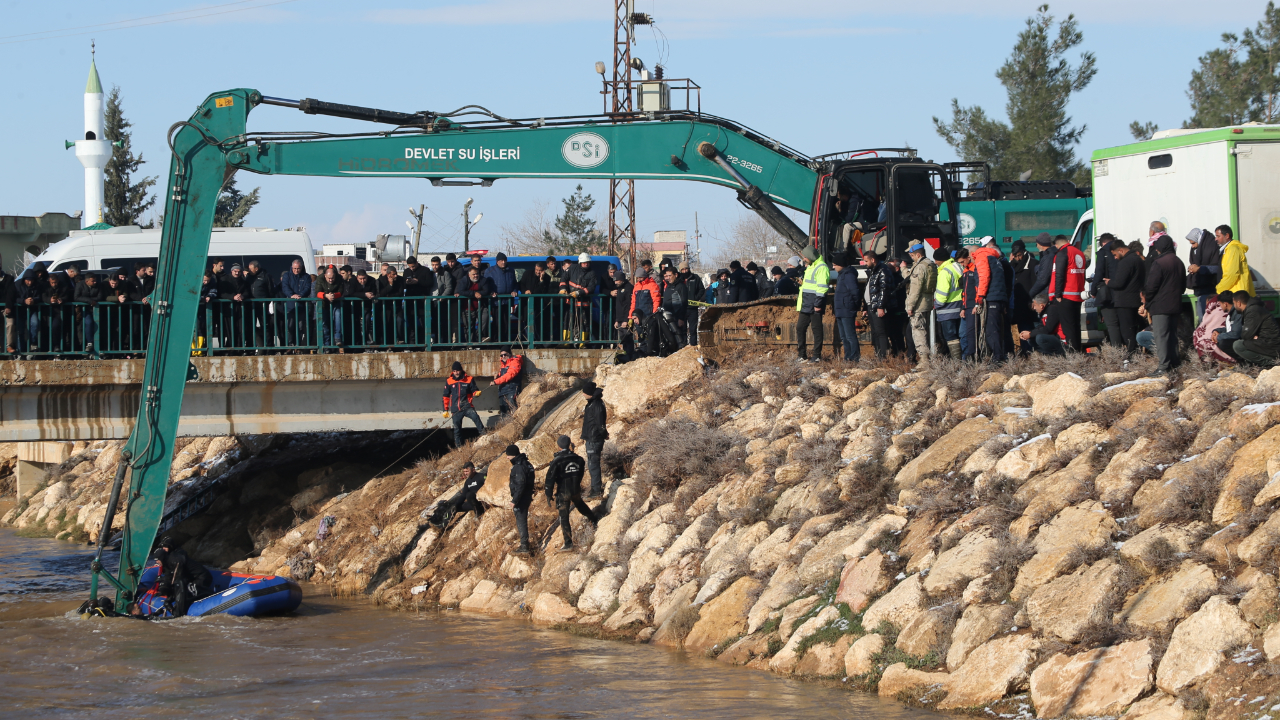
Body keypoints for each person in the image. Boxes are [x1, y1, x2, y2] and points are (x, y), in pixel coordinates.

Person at [544, 435, 598, 551]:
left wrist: (548, 494)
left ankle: (568, 543)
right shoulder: (579, 459)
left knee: (564, 517)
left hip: (563, 492)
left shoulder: (557, 461)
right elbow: (580, 473)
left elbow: (550, 479)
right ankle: (594, 519)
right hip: (575, 489)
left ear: (558, 446)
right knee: (580, 505)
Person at [1143, 234, 1187, 375]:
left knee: (1161, 336)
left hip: (1160, 305)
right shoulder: (1178, 262)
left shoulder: (1159, 263)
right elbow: (1183, 286)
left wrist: (1147, 301)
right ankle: (1175, 363)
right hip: (1175, 304)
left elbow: (1151, 286)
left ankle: (1163, 366)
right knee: (1172, 335)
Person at [150, 536, 212, 617]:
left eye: (165, 547)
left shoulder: (177, 558)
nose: (163, 549)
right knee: (179, 586)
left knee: (183, 587)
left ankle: (210, 595)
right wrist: (163, 588)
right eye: (162, 547)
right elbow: (170, 576)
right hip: (190, 578)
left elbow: (178, 578)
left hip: (200, 577)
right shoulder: (169, 559)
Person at [1106, 238, 1146, 354]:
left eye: (1115, 254)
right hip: (1136, 299)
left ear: (1121, 250)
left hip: (1125, 301)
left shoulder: (1126, 262)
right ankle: (1138, 352)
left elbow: (1119, 282)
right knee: (1136, 328)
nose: (1115, 258)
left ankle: (1132, 353)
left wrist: (1109, 282)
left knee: (1127, 330)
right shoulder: (1138, 260)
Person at [1049, 233, 1087, 353]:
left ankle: (1072, 354)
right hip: (1077, 294)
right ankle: (1078, 352)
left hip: (1066, 295)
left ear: (1056, 245)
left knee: (1068, 327)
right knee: (1076, 326)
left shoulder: (1062, 253)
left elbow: (1059, 274)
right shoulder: (1079, 253)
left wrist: (1058, 294)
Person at [904, 243, 937, 366]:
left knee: (919, 332)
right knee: (926, 330)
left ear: (918, 254)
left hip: (919, 304)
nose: (911, 258)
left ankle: (924, 360)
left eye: (912, 255)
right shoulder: (931, 265)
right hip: (927, 302)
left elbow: (915, 289)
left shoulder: (920, 267)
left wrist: (910, 306)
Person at [428, 461, 487, 529]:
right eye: (464, 471)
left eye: (467, 471)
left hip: (481, 502)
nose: (465, 473)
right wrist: (456, 505)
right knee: (454, 507)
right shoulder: (467, 482)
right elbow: (463, 496)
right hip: (472, 504)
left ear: (473, 470)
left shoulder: (481, 476)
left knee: (469, 494)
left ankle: (478, 513)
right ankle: (443, 525)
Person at [795, 250, 830, 362]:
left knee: (816, 329)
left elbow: (822, 288)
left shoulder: (821, 267)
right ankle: (802, 355)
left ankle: (817, 356)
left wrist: (818, 303)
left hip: (815, 304)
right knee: (800, 328)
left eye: (805, 257)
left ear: (811, 256)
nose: (804, 259)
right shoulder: (810, 266)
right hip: (806, 304)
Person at [442, 361, 484, 447]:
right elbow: (445, 396)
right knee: (457, 430)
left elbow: (474, 389)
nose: (456, 373)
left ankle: (484, 436)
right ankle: (459, 447)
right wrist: (445, 409)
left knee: (476, 418)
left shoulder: (469, 379)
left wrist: (476, 393)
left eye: (457, 371)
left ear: (461, 370)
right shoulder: (449, 381)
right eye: (454, 371)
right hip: (455, 409)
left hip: (467, 406)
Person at [1233, 292, 1280, 366]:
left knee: (1238, 345)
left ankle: (1270, 363)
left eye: (1234, 303)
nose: (1234, 306)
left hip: (1270, 344)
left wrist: (1251, 336)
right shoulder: (1253, 308)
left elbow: (1246, 335)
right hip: (1268, 342)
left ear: (1238, 303)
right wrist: (1252, 336)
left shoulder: (1253, 310)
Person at [933, 248, 964, 358]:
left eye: (936, 260)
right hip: (960, 307)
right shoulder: (957, 266)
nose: (935, 262)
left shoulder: (944, 272)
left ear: (940, 260)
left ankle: (956, 361)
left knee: (951, 337)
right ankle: (963, 360)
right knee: (960, 335)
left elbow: (942, 294)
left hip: (948, 310)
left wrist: (936, 304)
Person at [561, 253, 598, 344]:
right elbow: (563, 278)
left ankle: (583, 343)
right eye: (584, 262)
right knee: (568, 323)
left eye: (587, 262)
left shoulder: (592, 273)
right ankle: (566, 342)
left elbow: (591, 288)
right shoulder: (572, 268)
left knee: (584, 324)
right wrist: (563, 288)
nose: (586, 264)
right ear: (580, 262)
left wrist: (579, 293)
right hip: (570, 303)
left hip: (584, 304)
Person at [865, 251, 896, 359]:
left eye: (866, 261)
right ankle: (878, 356)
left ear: (873, 260)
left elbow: (884, 290)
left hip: (878, 306)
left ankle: (883, 357)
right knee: (875, 332)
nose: (865, 263)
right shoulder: (873, 271)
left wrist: (880, 306)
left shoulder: (882, 270)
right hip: (871, 305)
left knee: (881, 332)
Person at [507, 445, 536, 554]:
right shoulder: (527, 463)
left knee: (521, 520)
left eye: (508, 455)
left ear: (513, 455)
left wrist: (514, 500)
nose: (507, 458)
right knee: (521, 519)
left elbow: (520, 484)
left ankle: (524, 546)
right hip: (527, 495)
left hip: (522, 497)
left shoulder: (518, 467)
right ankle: (524, 544)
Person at [1185, 228, 1221, 316]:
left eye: (1193, 243)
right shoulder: (1198, 248)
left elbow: (1217, 267)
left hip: (1210, 288)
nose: (1192, 246)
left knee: (1206, 318)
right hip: (1200, 289)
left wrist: (1200, 269)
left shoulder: (1211, 247)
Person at [831, 253, 861, 362]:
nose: (833, 267)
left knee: (850, 336)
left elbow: (855, 292)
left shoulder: (848, 275)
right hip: (841, 310)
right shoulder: (841, 275)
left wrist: (853, 306)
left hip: (847, 309)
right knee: (844, 336)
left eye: (835, 265)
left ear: (841, 264)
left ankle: (854, 357)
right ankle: (848, 357)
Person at [581, 381, 608, 498]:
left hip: (594, 439)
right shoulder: (592, 403)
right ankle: (595, 488)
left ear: (590, 393)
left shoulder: (596, 405)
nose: (583, 394)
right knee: (593, 464)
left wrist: (604, 433)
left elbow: (600, 423)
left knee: (593, 465)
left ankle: (596, 491)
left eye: (584, 392)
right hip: (591, 438)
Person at [402, 256, 437, 348]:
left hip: (422, 300)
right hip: (410, 301)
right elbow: (403, 284)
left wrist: (418, 281)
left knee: (424, 323)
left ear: (417, 263)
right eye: (410, 267)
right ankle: (412, 343)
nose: (412, 269)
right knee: (411, 323)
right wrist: (407, 282)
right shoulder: (406, 272)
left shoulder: (425, 270)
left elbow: (429, 283)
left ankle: (424, 343)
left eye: (413, 266)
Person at [1194, 291, 1237, 364]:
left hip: (1228, 341)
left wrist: (1218, 336)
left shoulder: (1234, 313)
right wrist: (1216, 330)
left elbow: (1235, 333)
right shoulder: (1232, 312)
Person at [484, 252, 518, 344]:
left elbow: (515, 283)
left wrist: (514, 290)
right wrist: (490, 292)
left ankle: (505, 341)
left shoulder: (511, 270)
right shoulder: (490, 271)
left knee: (506, 322)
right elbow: (485, 284)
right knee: (497, 322)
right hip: (495, 302)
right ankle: (496, 341)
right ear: (497, 261)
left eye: (504, 260)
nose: (503, 262)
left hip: (507, 301)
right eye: (501, 260)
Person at [280, 259, 312, 349]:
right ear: (291, 267)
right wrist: (291, 295)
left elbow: (307, 288)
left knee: (300, 327)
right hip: (290, 306)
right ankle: (290, 346)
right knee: (289, 327)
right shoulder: (287, 275)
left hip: (301, 306)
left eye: (298, 268)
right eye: (294, 268)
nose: (296, 270)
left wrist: (300, 295)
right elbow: (285, 287)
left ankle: (298, 346)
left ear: (301, 268)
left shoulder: (306, 276)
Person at [1213, 224, 1254, 296]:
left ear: (1227, 236)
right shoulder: (1227, 250)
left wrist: (1219, 289)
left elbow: (1232, 274)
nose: (1215, 239)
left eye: (1218, 236)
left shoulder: (1233, 250)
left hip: (1236, 294)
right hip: (1232, 293)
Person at [520, 261, 553, 342]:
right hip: (526, 304)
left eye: (540, 270)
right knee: (527, 322)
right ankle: (528, 340)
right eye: (537, 270)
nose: (538, 272)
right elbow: (521, 284)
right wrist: (525, 291)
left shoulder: (547, 278)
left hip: (539, 304)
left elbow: (543, 291)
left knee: (538, 323)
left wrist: (541, 281)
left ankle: (537, 340)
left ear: (543, 270)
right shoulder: (527, 273)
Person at [314, 265, 345, 353]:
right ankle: (326, 346)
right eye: (329, 278)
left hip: (335, 302)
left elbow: (341, 291)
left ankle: (337, 338)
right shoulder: (320, 279)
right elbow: (317, 292)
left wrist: (334, 295)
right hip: (324, 304)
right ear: (325, 276)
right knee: (325, 325)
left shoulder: (339, 278)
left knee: (338, 317)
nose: (331, 280)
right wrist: (326, 295)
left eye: (332, 278)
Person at [678, 263, 704, 346]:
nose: (684, 271)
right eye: (682, 270)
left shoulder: (695, 278)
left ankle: (693, 346)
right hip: (682, 308)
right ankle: (683, 346)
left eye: (686, 269)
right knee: (682, 329)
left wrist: (696, 298)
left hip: (693, 308)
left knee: (693, 329)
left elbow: (701, 289)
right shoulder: (679, 279)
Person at [492, 347, 523, 414]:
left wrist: (495, 382)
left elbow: (509, 375)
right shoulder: (503, 364)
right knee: (503, 412)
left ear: (510, 354)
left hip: (512, 390)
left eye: (505, 354)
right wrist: (496, 377)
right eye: (501, 355)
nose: (503, 356)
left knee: (513, 410)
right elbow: (502, 376)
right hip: (502, 391)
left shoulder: (515, 362)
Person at [1027, 232, 1056, 300]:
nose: (1036, 245)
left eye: (1037, 243)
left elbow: (1043, 279)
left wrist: (1031, 293)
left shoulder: (1048, 257)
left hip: (1047, 294)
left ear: (1041, 244)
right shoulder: (1049, 254)